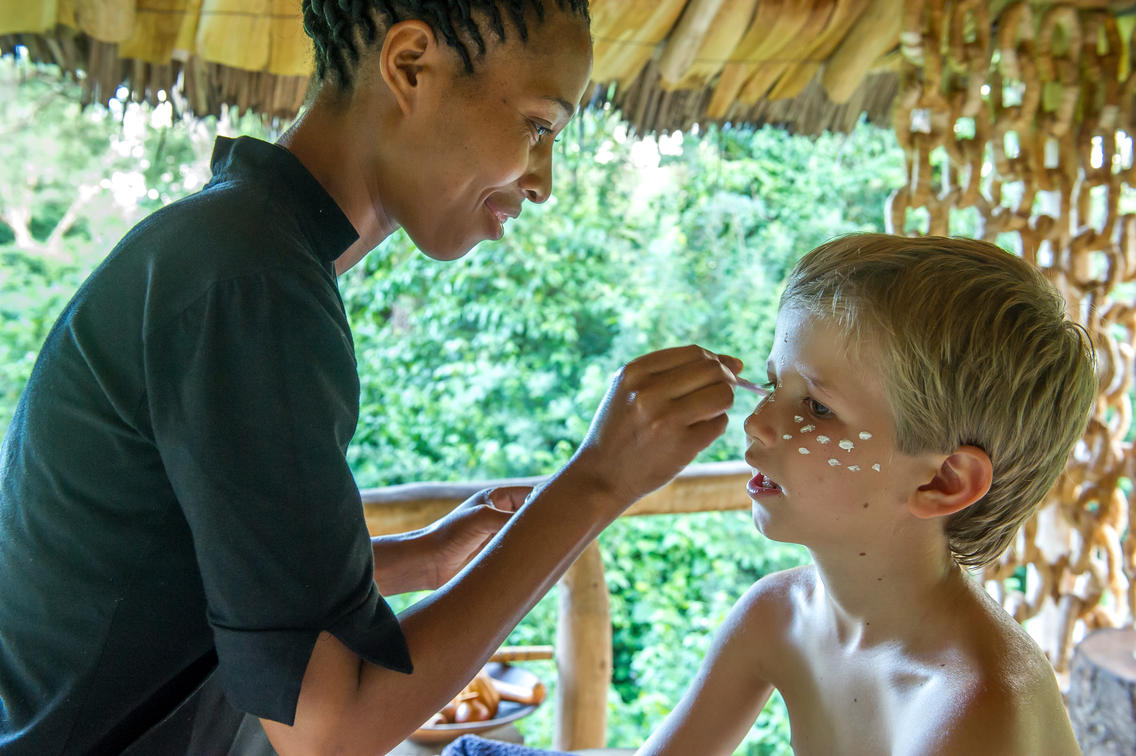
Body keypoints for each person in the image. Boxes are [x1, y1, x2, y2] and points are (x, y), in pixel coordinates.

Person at [0, 2, 749, 753]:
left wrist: (426, 555)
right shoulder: (252, 284)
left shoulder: (236, 249)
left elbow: (202, 572)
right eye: (537, 126)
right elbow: (332, 729)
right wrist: (598, 481)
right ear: (410, 65)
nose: (543, 181)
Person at [634, 233, 1095, 755]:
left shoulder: (974, 707)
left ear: (942, 482)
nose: (757, 422)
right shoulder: (777, 615)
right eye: (773, 384)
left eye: (817, 407)